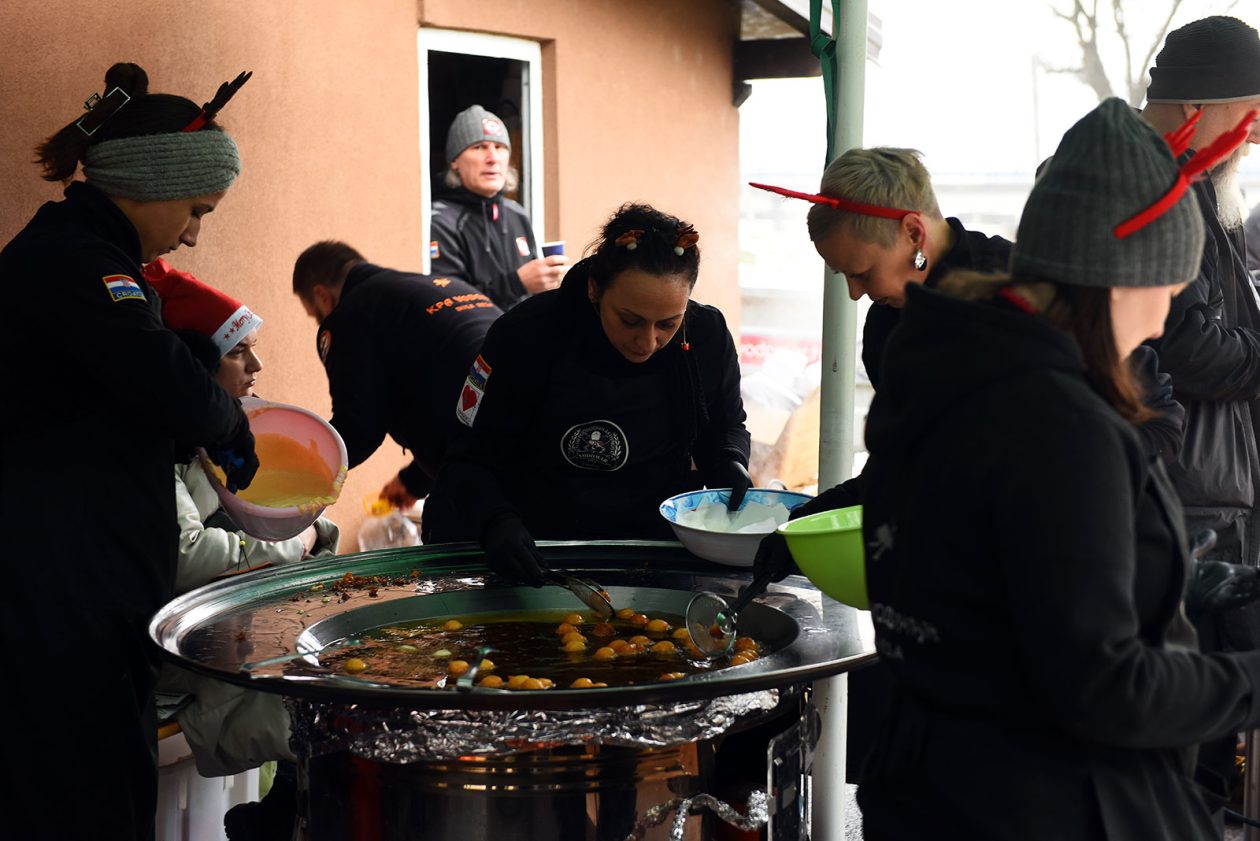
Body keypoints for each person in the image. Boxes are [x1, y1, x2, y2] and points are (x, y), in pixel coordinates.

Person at [853, 96, 1260, 841]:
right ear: (1120, 278)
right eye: (1170, 284)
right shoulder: (1059, 424)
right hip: (1040, 806)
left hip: (924, 786)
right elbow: (1107, 686)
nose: (1167, 315)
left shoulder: (942, 371)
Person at [0, 63, 257, 841]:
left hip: (87, 598)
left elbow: (114, 386)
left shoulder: (86, 256)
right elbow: (160, 377)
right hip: (61, 608)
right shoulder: (81, 263)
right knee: (81, 803)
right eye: (194, 209)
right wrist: (228, 424)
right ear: (147, 184)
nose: (191, 232)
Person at [422, 203, 751, 585]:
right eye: (629, 320)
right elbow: (467, 456)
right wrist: (496, 520)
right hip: (533, 547)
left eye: (668, 324)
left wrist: (730, 461)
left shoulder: (706, 335)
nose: (647, 342)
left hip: (649, 548)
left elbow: (726, 424)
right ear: (595, 289)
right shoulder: (526, 335)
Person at [145, 258, 339, 840]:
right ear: (193, 363)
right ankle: (291, 814)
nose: (257, 367)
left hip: (219, 634)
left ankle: (291, 808)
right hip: (165, 654)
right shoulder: (156, 444)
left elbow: (278, 514)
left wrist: (316, 536)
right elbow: (188, 554)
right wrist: (295, 546)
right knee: (322, 697)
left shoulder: (220, 433)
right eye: (238, 353)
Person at [1139, 15, 1260, 815]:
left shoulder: (1208, 187)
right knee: (1184, 732)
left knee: (1214, 738)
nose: (1253, 137)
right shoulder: (1153, 186)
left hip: (1218, 488)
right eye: (1249, 117)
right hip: (1184, 499)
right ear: (1205, 111)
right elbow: (1192, 351)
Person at [292, 241, 502, 509]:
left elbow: (359, 427)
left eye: (315, 315)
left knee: (453, 533)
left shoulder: (350, 315)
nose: (319, 321)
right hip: (536, 410)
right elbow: (448, 378)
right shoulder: (440, 286)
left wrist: (297, 475)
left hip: (484, 449)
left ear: (322, 296)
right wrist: (413, 481)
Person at [430, 104, 567, 309]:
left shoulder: (517, 213)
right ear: (455, 161)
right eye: (479, 147)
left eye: (500, 147)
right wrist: (517, 283)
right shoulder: (439, 221)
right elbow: (447, 305)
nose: (493, 158)